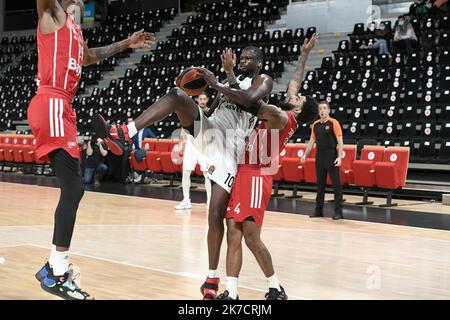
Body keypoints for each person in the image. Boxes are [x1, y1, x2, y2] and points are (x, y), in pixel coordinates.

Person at [93, 46, 273, 300]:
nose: (244, 61)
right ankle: (125, 132)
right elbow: (212, 111)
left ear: (260, 63)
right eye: (241, 58)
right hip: (210, 131)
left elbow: (248, 99)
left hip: (229, 146)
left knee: (215, 214)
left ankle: (211, 278)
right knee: (177, 95)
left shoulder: (263, 81)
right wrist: (191, 106)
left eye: (249, 59)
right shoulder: (227, 83)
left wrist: (219, 82)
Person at [29, 0, 154, 300]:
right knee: (73, 189)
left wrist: (127, 43)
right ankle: (57, 271)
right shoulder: (53, 14)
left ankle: (53, 268)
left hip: (64, 109)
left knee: (75, 189)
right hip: (52, 103)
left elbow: (86, 57)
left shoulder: (75, 31)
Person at [200, 34, 319, 300]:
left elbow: (249, 103)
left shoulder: (281, 117)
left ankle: (275, 287)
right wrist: (304, 54)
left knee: (251, 238)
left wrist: (224, 80)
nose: (294, 95)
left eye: (298, 98)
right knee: (233, 233)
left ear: (299, 111)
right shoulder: (287, 109)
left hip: (258, 175)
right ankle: (231, 292)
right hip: (244, 170)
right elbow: (295, 81)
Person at [301, 101, 344, 220]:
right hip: (319, 155)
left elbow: (340, 142)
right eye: (320, 109)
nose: (322, 111)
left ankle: (338, 212)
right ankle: (318, 211)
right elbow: (311, 142)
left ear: (328, 110)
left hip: (332, 155)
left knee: (336, 185)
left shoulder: (334, 123)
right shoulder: (315, 125)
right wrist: (305, 155)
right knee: (320, 185)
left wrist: (339, 157)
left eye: (324, 108)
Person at [175, 93, 212, 210]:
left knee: (208, 175)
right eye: (200, 99)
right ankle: (186, 200)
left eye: (204, 99)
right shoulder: (191, 111)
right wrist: (181, 143)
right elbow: (184, 127)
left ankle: (210, 202)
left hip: (204, 145)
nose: (202, 101)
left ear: (207, 100)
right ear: (197, 100)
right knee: (186, 172)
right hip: (191, 143)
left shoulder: (210, 112)